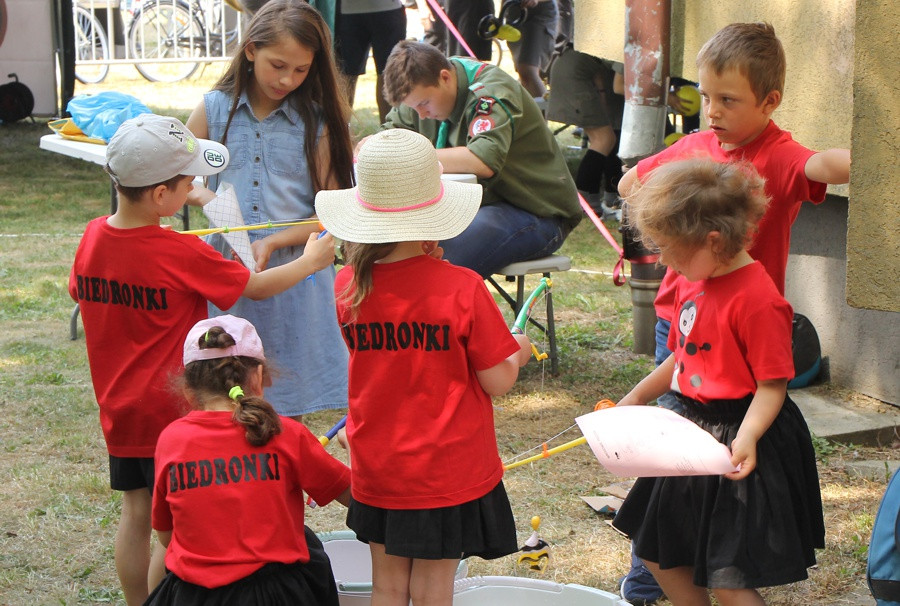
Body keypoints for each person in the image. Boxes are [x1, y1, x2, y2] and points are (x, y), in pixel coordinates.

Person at [615, 23, 850, 603]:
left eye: (728, 100)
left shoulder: (777, 154)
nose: (712, 112)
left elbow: (826, 166)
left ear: (770, 101)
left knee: (712, 508)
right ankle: (653, 577)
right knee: (669, 477)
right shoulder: (693, 148)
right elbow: (628, 182)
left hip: (742, 347)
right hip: (684, 324)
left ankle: (671, 571)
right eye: (705, 97)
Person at [69, 114, 336, 605]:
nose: (196, 185)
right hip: (171, 412)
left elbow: (80, 289)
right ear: (159, 196)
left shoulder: (92, 237)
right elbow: (252, 286)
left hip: (119, 409)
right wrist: (309, 262)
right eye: (188, 180)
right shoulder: (176, 251)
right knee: (174, 536)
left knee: (136, 512)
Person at [314, 128, 533, 606]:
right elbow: (498, 380)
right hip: (445, 471)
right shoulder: (462, 287)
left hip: (379, 465)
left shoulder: (348, 285)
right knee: (434, 589)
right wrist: (518, 346)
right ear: (434, 214)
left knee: (388, 587)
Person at [613, 158, 825, 606]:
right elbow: (680, 355)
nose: (665, 260)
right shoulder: (694, 278)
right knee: (658, 553)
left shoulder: (758, 301)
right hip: (691, 429)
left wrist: (746, 438)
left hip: (741, 435)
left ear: (713, 240)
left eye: (671, 249)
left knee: (727, 574)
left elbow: (772, 386)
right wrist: (635, 396)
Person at [186, 0, 355, 423]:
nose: (287, 79)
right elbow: (176, 175)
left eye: (300, 71)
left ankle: (282, 487)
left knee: (285, 403)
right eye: (278, 65)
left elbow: (330, 210)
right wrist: (209, 200)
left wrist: (277, 240)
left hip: (296, 276)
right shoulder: (213, 109)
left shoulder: (314, 120)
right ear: (250, 51)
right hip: (229, 276)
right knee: (226, 397)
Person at [145, 315, 351, 604]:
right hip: (279, 594)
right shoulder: (286, 433)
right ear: (258, 377)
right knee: (308, 545)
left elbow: (167, 538)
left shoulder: (171, 440)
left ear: (188, 391)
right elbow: (354, 495)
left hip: (196, 595)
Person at [374, 39, 582, 278]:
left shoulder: (490, 92)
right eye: (413, 108)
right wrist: (371, 147)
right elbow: (385, 137)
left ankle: (434, 312)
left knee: (442, 253)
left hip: (534, 210)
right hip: (473, 206)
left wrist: (411, 154)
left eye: (424, 104)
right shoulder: (419, 91)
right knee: (390, 245)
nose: (421, 114)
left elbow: (482, 160)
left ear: (445, 77)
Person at [547, 46, 625, 214]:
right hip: (575, 75)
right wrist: (667, 97)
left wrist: (602, 96)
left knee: (608, 137)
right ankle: (585, 203)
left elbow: (596, 65)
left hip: (575, 69)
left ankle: (597, 200)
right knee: (604, 140)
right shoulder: (630, 44)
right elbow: (620, 86)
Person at [335, 0, 408, 123]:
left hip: (388, 11)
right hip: (348, 12)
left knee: (389, 74)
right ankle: (339, 133)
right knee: (345, 76)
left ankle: (389, 133)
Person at [506, 0, 558, 99]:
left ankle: (546, 113)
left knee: (527, 70)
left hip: (540, 14)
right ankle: (536, 111)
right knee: (524, 76)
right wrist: (502, 18)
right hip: (515, 13)